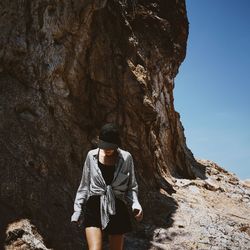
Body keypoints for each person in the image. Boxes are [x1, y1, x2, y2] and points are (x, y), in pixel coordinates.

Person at [71, 123, 143, 250]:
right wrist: (77, 211)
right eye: (104, 146)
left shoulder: (126, 158)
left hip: (117, 207)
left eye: (110, 147)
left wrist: (135, 205)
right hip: (94, 206)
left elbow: (131, 187)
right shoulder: (91, 156)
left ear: (117, 144)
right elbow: (84, 186)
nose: (107, 149)